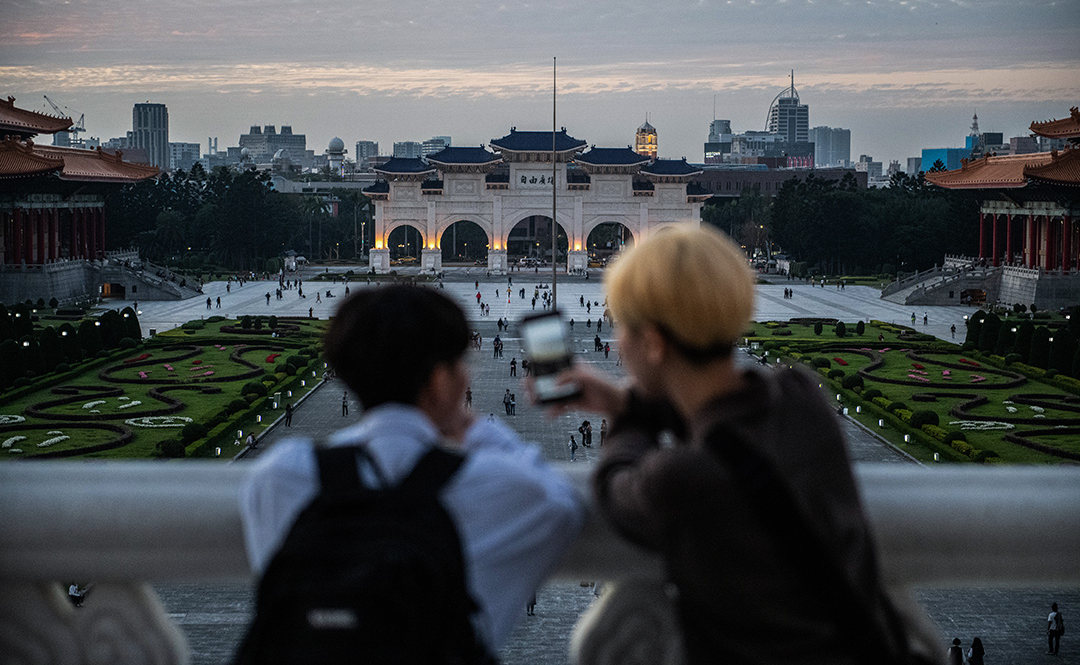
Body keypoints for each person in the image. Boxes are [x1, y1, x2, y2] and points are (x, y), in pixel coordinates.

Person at [548, 224, 936, 664]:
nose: (616, 343)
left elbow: (616, 483)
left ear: (653, 344)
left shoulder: (679, 479)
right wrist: (631, 398)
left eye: (622, 328)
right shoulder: (801, 398)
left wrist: (624, 415)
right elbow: (729, 419)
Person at [239, 286, 582, 657]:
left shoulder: (283, 473)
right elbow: (561, 504)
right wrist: (471, 426)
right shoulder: (495, 485)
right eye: (461, 364)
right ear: (439, 380)